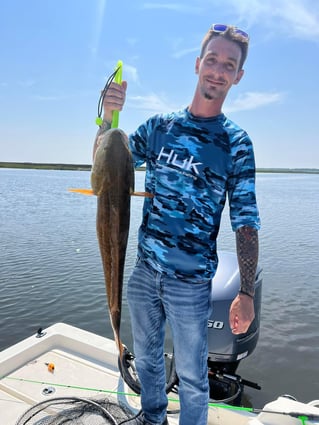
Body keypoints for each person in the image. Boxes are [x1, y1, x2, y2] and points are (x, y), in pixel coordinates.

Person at [93, 24, 260, 425]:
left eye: (229, 65)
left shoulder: (236, 143)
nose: (218, 70)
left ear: (238, 76)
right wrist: (107, 116)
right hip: (145, 271)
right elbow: (108, 166)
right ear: (198, 64)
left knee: (191, 376)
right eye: (213, 60)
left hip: (192, 283)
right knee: (148, 361)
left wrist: (247, 292)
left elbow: (246, 223)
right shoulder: (160, 128)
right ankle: (153, 419)